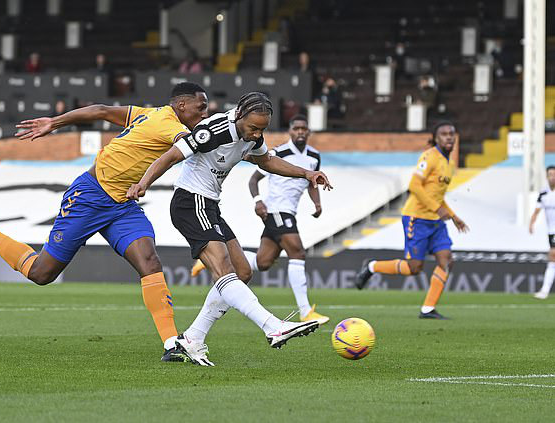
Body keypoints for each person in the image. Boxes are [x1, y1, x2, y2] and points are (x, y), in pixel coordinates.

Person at [0, 83, 210, 362]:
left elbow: (101, 110)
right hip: (89, 197)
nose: (204, 113)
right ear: (181, 106)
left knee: (150, 262)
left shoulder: (146, 114)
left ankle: (171, 345)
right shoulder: (168, 124)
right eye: (201, 107)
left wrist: (55, 122)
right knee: (41, 273)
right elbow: (191, 145)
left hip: (121, 205)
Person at [128, 92, 333, 366]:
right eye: (253, 128)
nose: (256, 134)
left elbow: (267, 161)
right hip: (190, 202)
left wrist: (306, 174)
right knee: (224, 269)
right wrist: (144, 183)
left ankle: (192, 339)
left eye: (262, 129)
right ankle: (272, 326)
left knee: (243, 272)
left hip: (209, 205)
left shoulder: (254, 137)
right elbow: (171, 156)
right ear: (239, 115)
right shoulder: (212, 130)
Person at [191, 114, 329, 324]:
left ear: (309, 132)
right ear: (290, 131)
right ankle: (305, 310)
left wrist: (317, 203)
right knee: (297, 251)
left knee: (263, 262)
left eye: (304, 128)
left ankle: (216, 258)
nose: (300, 131)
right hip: (276, 210)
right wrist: (258, 201)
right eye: (296, 128)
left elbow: (312, 183)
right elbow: (255, 178)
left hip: (289, 212)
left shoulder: (314, 156)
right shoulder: (279, 152)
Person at [355, 121, 469, 319]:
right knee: (413, 268)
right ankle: (372, 266)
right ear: (436, 138)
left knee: (447, 261)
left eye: (452, 133)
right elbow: (414, 186)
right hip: (417, 218)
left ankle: (427, 309)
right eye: (444, 134)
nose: (449, 137)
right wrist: (437, 209)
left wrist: (454, 217)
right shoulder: (429, 157)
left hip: (436, 222)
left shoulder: (448, 165)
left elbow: (438, 196)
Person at [529, 166, 555, 299]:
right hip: (551, 232)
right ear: (547, 176)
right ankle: (545, 290)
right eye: (550, 174)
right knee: (553, 258)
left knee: (552, 255)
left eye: (554, 174)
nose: (553, 177)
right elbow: (537, 211)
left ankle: (545, 290)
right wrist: (531, 223)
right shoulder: (543, 193)